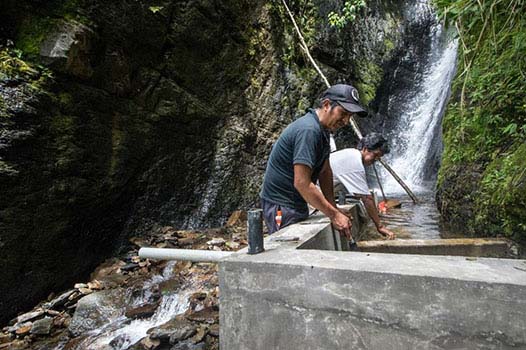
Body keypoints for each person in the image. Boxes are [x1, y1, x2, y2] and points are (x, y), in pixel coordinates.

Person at [260, 84, 368, 237]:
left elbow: (325, 171)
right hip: (281, 204)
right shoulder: (309, 131)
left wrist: (333, 207)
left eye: (350, 116)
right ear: (326, 105)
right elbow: (301, 182)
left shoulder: (323, 131)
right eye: (343, 113)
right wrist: (334, 215)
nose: (345, 121)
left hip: (296, 201)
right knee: (289, 249)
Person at [330, 133, 396, 240]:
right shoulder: (354, 161)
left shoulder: (350, 154)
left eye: (378, 158)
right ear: (365, 149)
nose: (375, 160)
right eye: (375, 155)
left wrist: (335, 209)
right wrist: (380, 226)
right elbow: (367, 198)